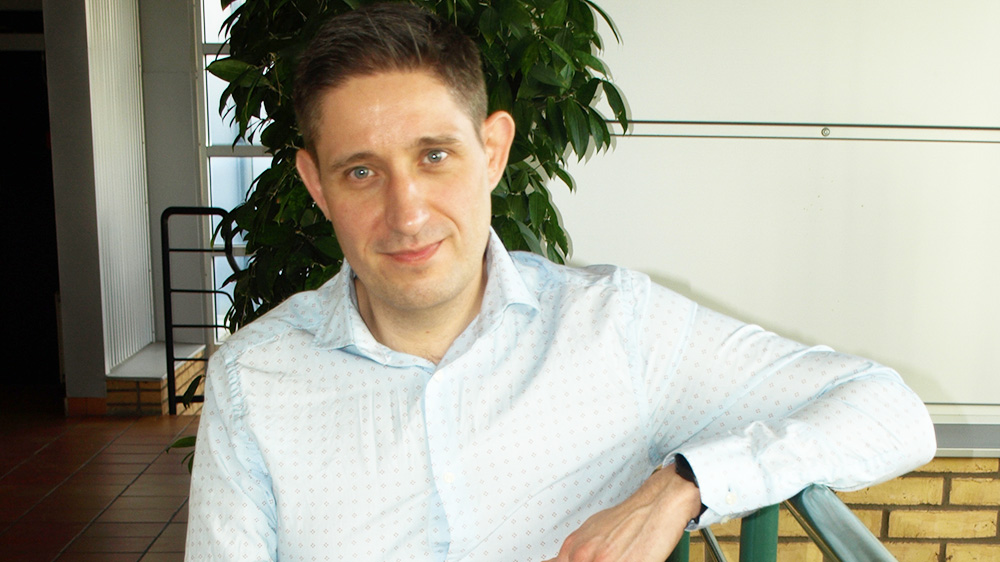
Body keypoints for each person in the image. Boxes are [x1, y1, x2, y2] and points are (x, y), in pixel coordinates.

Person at [185, 3, 936, 561]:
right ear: (316, 185)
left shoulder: (614, 328)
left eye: (435, 156)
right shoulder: (255, 379)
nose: (406, 214)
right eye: (361, 172)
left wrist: (686, 483)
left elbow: (889, 411)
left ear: (493, 151)